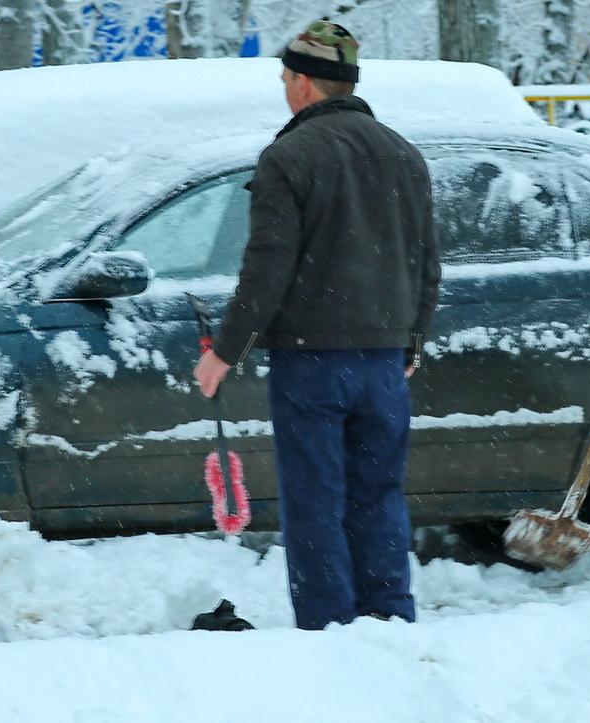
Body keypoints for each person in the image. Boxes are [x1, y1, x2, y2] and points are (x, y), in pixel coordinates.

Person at [193, 20, 440, 630]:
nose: (283, 88)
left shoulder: (289, 156)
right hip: (383, 360)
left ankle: (328, 627)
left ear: (305, 83)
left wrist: (225, 350)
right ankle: (388, 615)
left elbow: (267, 266)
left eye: (285, 77)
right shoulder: (403, 153)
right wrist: (411, 337)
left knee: (315, 503)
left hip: (312, 361)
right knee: (378, 496)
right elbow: (426, 260)